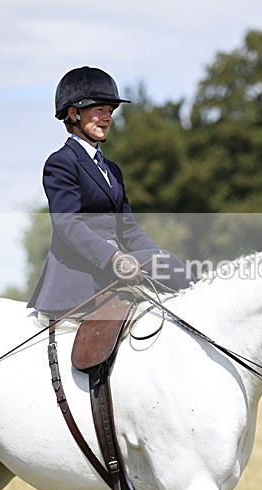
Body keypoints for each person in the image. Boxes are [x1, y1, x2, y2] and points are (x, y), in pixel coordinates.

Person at [28, 66, 194, 315]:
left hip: (113, 268)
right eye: (99, 110)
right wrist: (115, 258)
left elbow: (128, 230)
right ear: (74, 114)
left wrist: (156, 257)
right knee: (169, 264)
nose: (107, 118)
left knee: (170, 264)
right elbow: (67, 225)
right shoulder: (61, 162)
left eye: (110, 111)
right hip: (81, 271)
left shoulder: (112, 169)